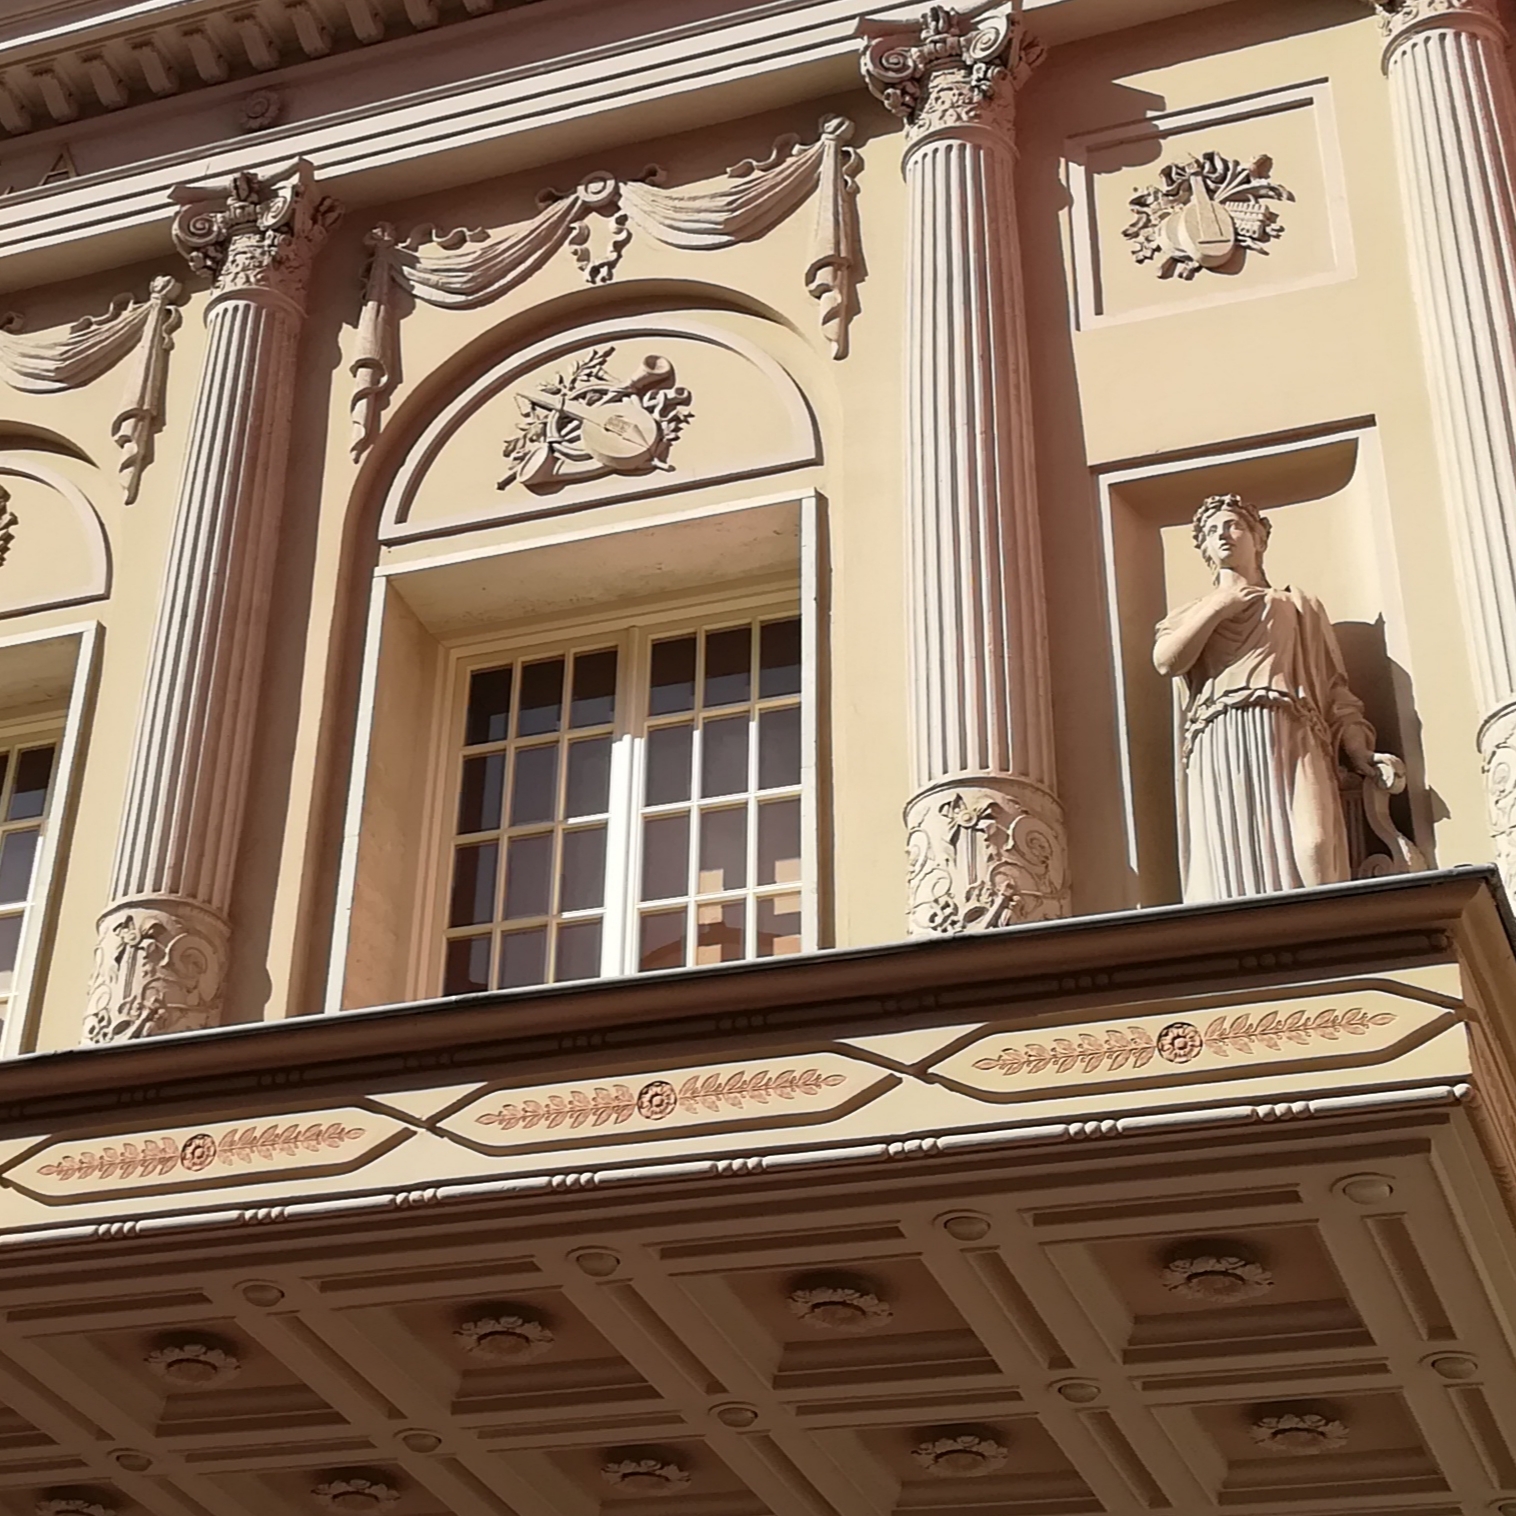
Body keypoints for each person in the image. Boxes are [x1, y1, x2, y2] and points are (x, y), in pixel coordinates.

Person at [1153, 494, 1395, 902]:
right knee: (1231, 853)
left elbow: (1336, 690)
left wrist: (1359, 751)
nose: (1223, 536)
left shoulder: (1297, 605)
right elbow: (1166, 661)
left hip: (1295, 729)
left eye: (1233, 526)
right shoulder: (1193, 611)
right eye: (1212, 533)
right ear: (1205, 550)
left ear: (1259, 537)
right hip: (1222, 733)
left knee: (1315, 845)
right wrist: (1219, 606)